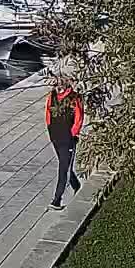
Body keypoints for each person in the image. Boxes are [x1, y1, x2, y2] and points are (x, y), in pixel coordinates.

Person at [45, 78, 84, 210]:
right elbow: (48, 113)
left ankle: (57, 199)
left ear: (66, 84)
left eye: (60, 84)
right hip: (55, 136)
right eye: (56, 84)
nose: (57, 87)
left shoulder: (74, 98)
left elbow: (79, 117)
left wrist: (73, 134)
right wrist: (50, 129)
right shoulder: (52, 95)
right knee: (65, 165)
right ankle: (77, 186)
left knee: (63, 169)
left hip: (68, 138)